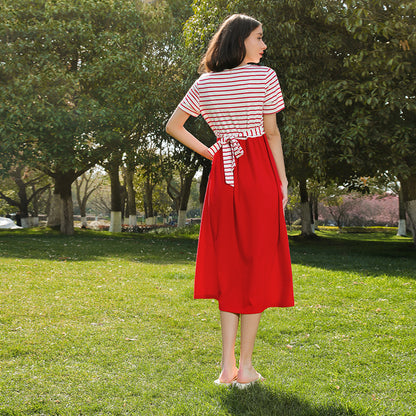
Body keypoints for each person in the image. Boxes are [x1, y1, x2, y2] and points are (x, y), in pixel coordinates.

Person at [166, 14, 294, 389]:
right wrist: (282, 180)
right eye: (259, 37)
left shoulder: (204, 82)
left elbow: (174, 126)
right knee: (255, 263)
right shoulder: (264, 76)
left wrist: (211, 152)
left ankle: (226, 367)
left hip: (224, 176)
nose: (264, 45)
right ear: (241, 41)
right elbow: (271, 133)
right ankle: (247, 368)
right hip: (257, 173)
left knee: (229, 264)